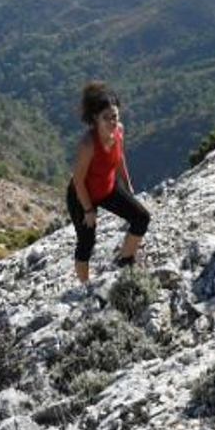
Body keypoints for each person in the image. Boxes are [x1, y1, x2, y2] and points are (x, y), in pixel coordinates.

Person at [66, 81, 150, 283]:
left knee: (142, 218)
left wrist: (127, 184)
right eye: (106, 118)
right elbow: (78, 180)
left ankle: (126, 259)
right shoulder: (88, 144)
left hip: (107, 188)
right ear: (95, 118)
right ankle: (85, 286)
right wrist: (88, 210)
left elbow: (119, 157)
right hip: (82, 196)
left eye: (115, 116)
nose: (112, 122)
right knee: (87, 242)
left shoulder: (119, 131)